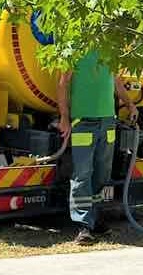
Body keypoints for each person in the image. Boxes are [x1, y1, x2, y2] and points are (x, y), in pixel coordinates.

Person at [57, 52, 136, 244]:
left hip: (107, 122)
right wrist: (64, 117)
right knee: (83, 174)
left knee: (102, 174)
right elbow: (62, 84)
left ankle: (96, 218)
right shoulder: (75, 49)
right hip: (83, 122)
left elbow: (117, 82)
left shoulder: (109, 48)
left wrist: (130, 105)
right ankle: (84, 225)